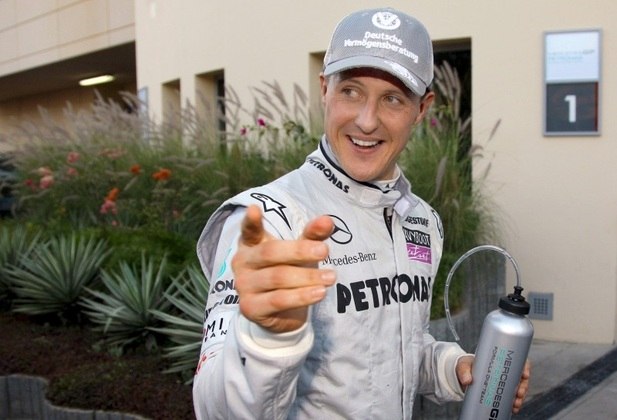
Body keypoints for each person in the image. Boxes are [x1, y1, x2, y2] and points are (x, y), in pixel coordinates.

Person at [193, 7, 530, 419]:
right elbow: (213, 406)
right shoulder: (266, 221)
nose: (367, 121)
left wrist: (454, 368)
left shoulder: (421, 220)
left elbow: (397, 350)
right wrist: (266, 341)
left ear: (421, 110)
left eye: (392, 98)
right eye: (351, 91)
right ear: (324, 90)